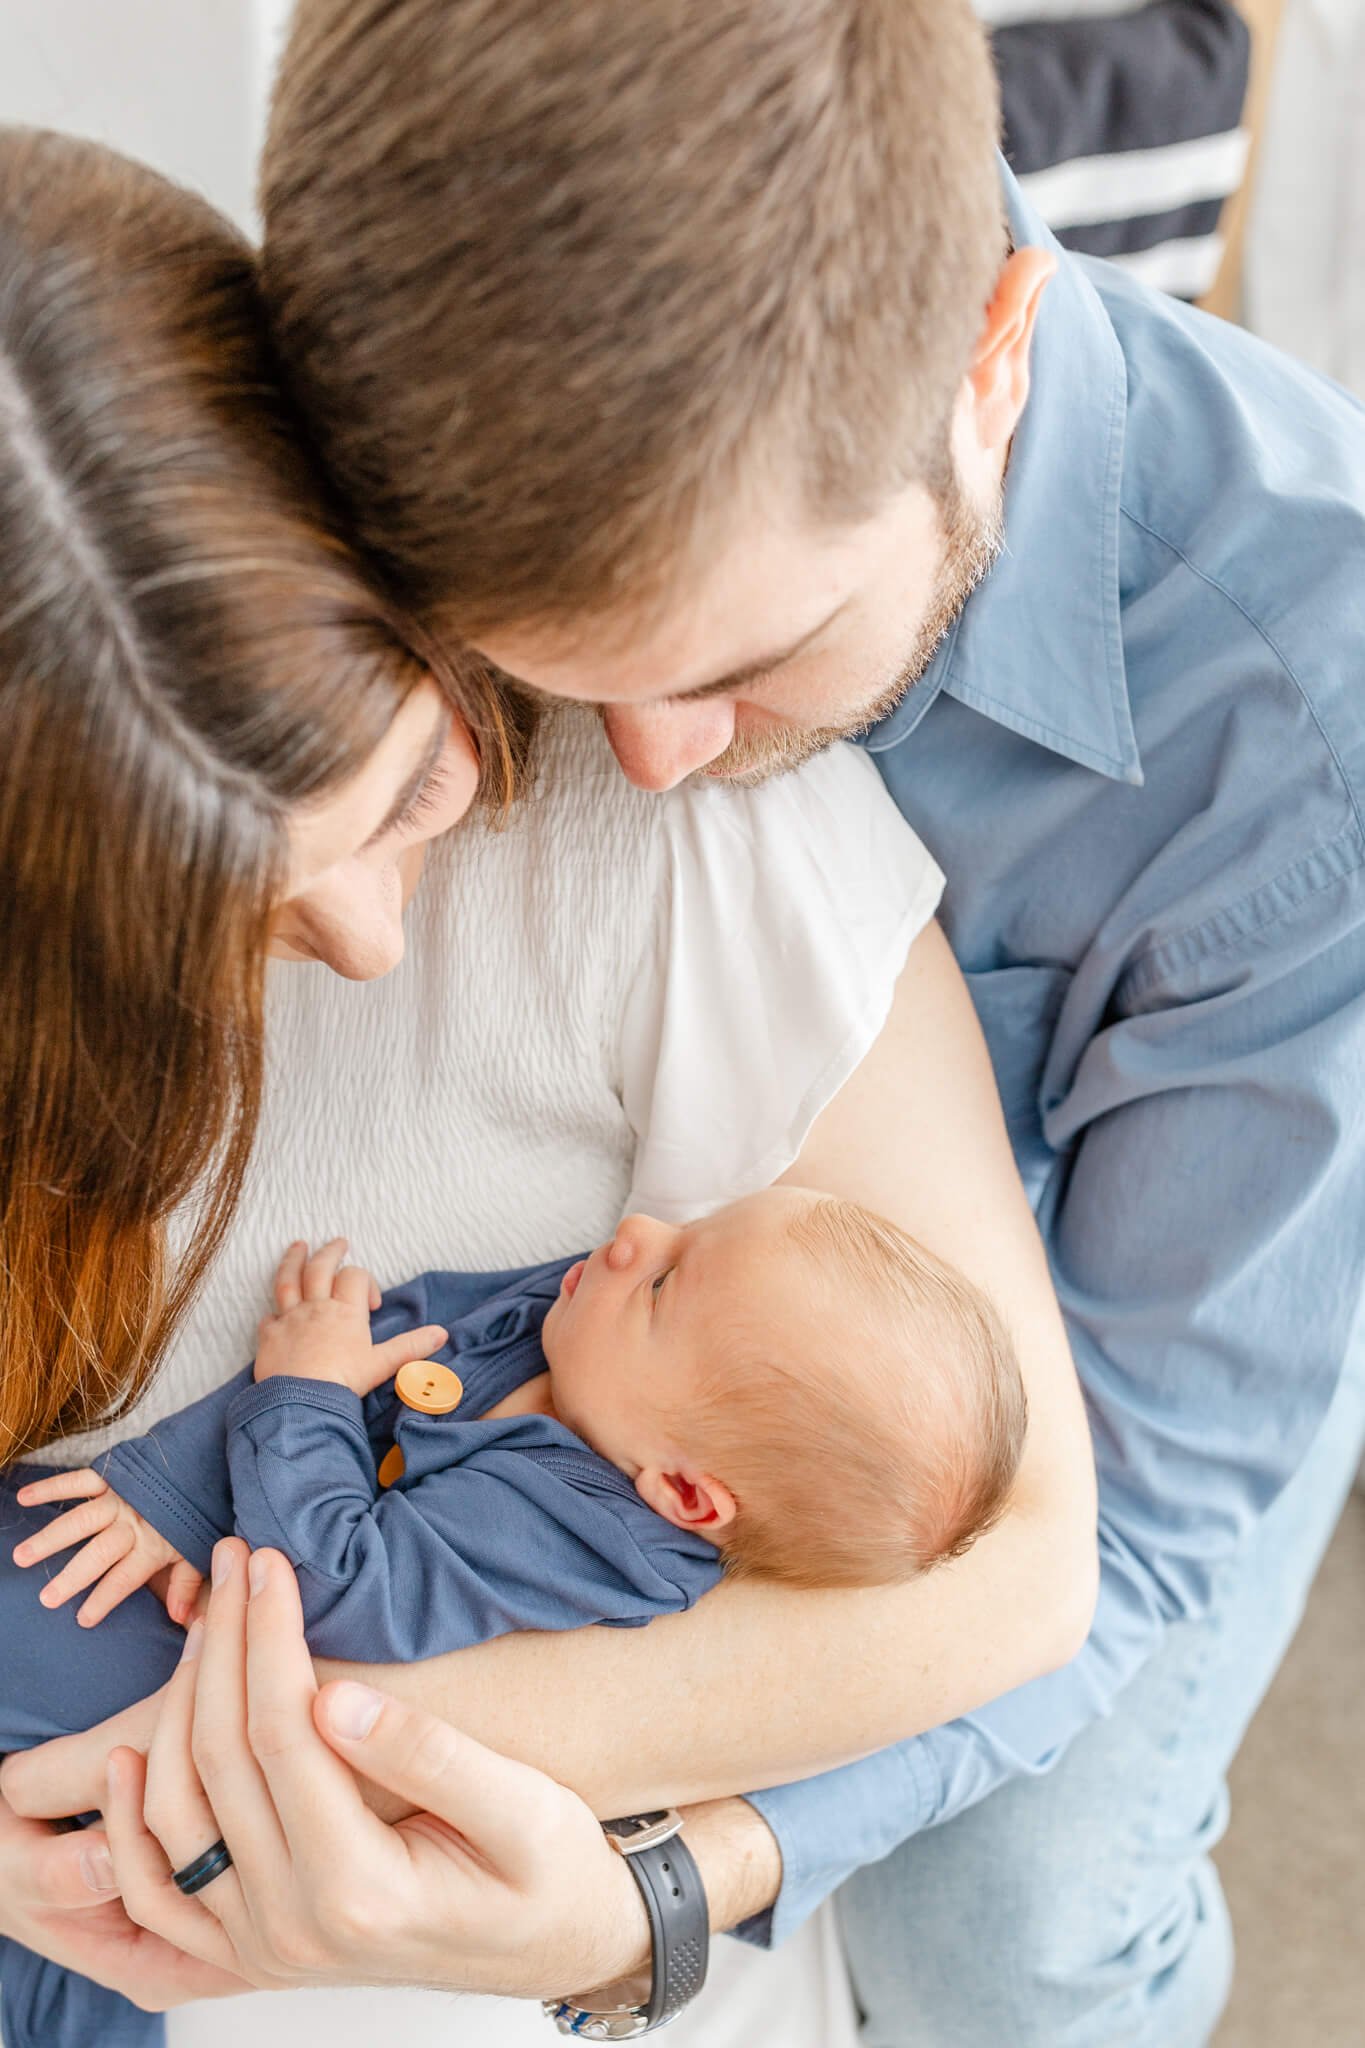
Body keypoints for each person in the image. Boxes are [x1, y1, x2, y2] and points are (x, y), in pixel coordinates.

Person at [59, 0, 1361, 2041]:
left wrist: (659, 1889)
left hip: (1145, 1348)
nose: (648, 763)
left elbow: (1103, 1535)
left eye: (751, 658)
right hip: (694, 1331)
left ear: (989, 357)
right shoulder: (450, 333)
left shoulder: (1309, 722)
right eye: (563, 674)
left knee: (1000, 1925)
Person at [15, 1195, 1024, 1651]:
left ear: (682, 1491)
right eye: (693, 1223)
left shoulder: (585, 1533)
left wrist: (306, 1392)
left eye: (666, 1280)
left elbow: (341, 1587)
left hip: (163, 1665)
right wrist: (188, 1479)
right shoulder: (599, 1341)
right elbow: (405, 1334)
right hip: (184, 1558)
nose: (637, 1231)